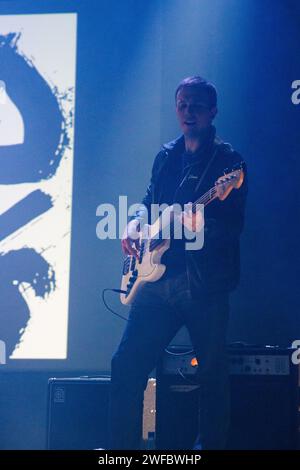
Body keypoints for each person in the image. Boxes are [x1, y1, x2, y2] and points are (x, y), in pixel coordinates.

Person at [109, 76, 247, 450]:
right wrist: (135, 221)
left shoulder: (228, 163)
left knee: (213, 376)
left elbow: (232, 227)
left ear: (212, 111)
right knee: (125, 366)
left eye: (197, 105)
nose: (189, 111)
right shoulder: (167, 155)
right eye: (183, 104)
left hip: (202, 286)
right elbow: (149, 198)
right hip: (156, 282)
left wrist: (205, 223)